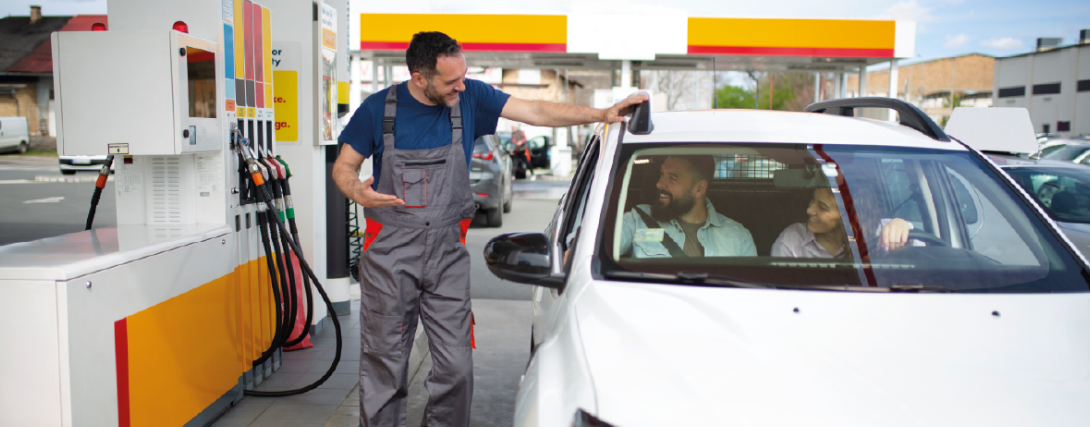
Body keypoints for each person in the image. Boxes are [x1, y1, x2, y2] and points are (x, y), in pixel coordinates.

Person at [331, 31, 646, 427]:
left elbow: (536, 111)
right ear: (418, 77)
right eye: (451, 81)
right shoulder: (378, 110)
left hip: (446, 256)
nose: (460, 86)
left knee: (457, 367)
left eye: (463, 76)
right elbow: (344, 167)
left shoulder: (472, 98)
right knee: (385, 366)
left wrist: (601, 115)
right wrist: (356, 192)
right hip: (391, 258)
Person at [620, 155, 757, 258]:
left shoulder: (738, 237)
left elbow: (751, 292)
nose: (659, 184)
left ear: (699, 189)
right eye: (662, 174)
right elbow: (603, 243)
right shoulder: (637, 221)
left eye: (672, 178)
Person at [771, 187, 912, 258]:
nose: (809, 210)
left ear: (848, 215)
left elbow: (921, 251)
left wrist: (902, 224)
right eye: (812, 200)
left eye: (822, 207)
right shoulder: (792, 239)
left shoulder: (880, 231)